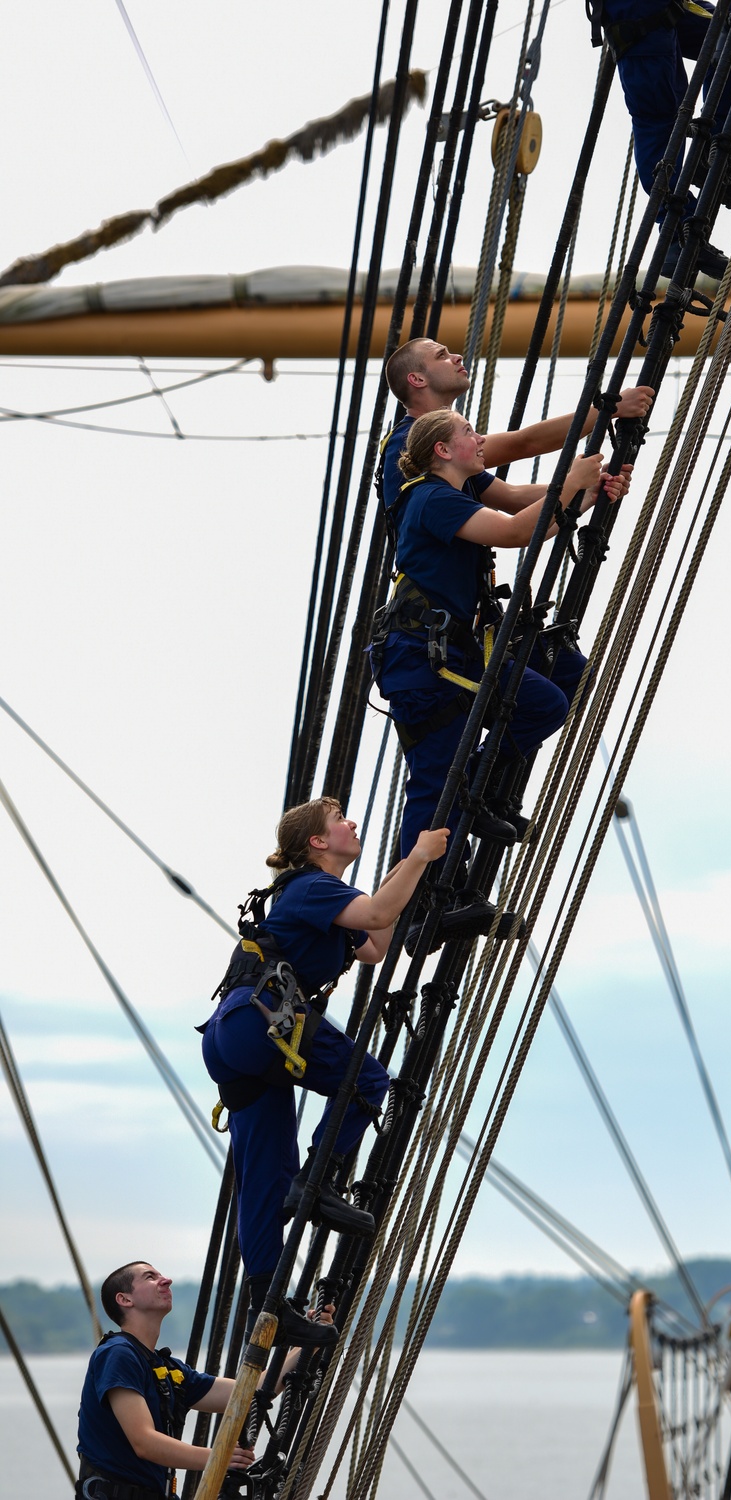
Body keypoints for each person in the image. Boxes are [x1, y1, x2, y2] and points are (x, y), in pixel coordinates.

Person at [200, 797, 448, 1344]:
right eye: (340, 820)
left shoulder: (322, 899)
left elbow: (377, 944)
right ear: (317, 842)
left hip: (235, 1037)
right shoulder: (311, 887)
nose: (352, 824)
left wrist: (409, 866)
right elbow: (381, 915)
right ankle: (318, 1181)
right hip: (261, 1020)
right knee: (368, 1080)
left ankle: (266, 1308)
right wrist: (421, 858)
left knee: (265, 1180)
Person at [369, 410, 622, 921]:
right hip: (421, 659)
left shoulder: (448, 496)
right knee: (434, 777)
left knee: (545, 699)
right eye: (468, 433)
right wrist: (569, 484)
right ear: (442, 450)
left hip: (453, 652)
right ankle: (428, 903)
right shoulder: (429, 497)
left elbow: (534, 519)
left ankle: (476, 791)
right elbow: (512, 532)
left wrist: (586, 493)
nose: (479, 438)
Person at [588, 0, 731, 277]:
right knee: (659, 118)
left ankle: (709, 152)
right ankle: (677, 235)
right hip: (636, 13)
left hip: (667, 6)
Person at [77, 1260, 318, 1498]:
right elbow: (143, 1441)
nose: (166, 1280)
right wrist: (218, 1457)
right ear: (125, 1299)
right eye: (150, 1277)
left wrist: (308, 1343)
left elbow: (251, 1391)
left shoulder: (168, 1370)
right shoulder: (118, 1353)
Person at [379, 335, 653, 525]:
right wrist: (609, 410)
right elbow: (524, 444)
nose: (457, 356)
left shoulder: (448, 460)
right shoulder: (409, 444)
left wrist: (586, 489)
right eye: (442, 355)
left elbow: (512, 497)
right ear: (417, 379)